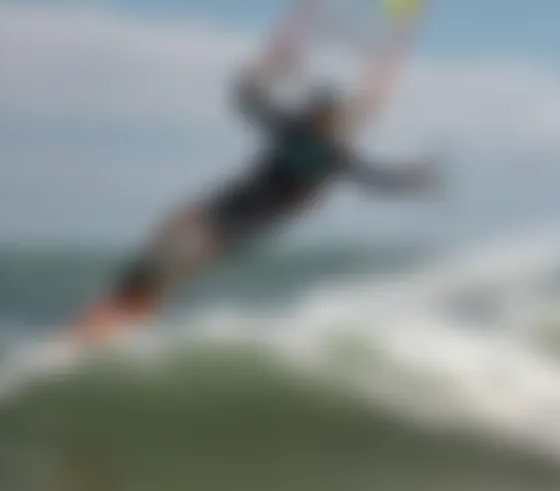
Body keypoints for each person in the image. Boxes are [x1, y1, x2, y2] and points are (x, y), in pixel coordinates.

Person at [73, 39, 438, 341]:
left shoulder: (334, 154)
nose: (313, 116)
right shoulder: (290, 128)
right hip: (235, 196)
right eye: (313, 109)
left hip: (259, 216)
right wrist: (267, 68)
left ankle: (137, 310)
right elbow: (246, 99)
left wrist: (412, 180)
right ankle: (124, 291)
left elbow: (373, 178)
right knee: (174, 226)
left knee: (196, 253)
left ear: (334, 119)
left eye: (322, 114)